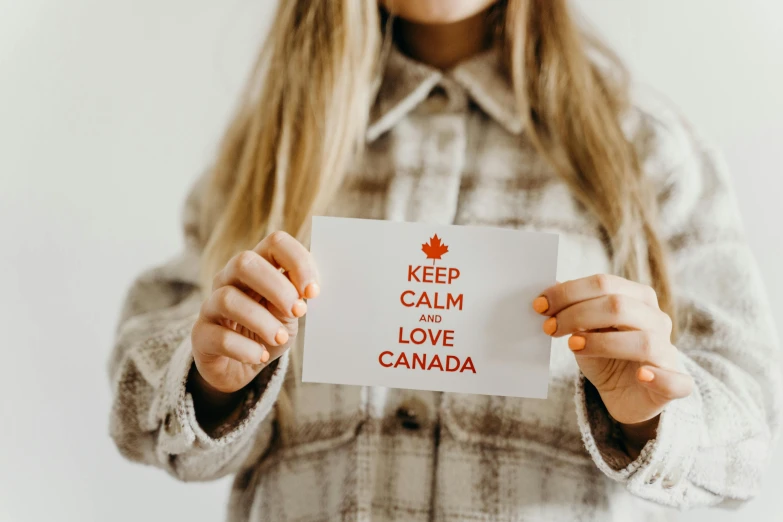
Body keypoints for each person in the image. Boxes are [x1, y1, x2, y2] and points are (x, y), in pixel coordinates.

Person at [108, 0, 781, 520]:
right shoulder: (269, 154)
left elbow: (749, 446)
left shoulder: (647, 153)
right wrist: (211, 382)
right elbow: (139, 415)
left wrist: (648, 412)